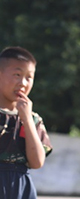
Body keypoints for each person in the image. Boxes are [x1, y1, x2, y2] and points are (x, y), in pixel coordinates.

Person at [0, 46, 52, 199]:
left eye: (29, 77)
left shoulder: (34, 119)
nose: (23, 83)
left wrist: (27, 119)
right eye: (17, 74)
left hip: (21, 188)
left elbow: (36, 162)